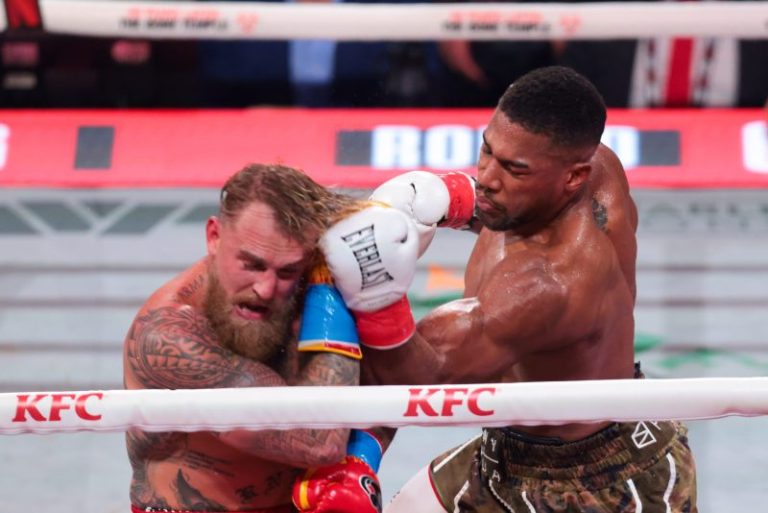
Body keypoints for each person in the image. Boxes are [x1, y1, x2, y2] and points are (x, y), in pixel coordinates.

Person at [315, 66, 698, 512]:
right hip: (509, 450)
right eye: (487, 150)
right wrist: (450, 198)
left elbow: (415, 377)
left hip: (601, 486)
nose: (487, 178)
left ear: (573, 177)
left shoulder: (548, 285)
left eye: (514, 169)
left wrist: (379, 297)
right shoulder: (585, 168)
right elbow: (525, 211)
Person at [123, 163, 418, 513]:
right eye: (252, 265)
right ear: (214, 237)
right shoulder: (168, 336)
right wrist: (331, 300)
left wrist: (361, 458)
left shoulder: (305, 287)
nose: (265, 288)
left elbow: (401, 380)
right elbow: (319, 443)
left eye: (287, 271)